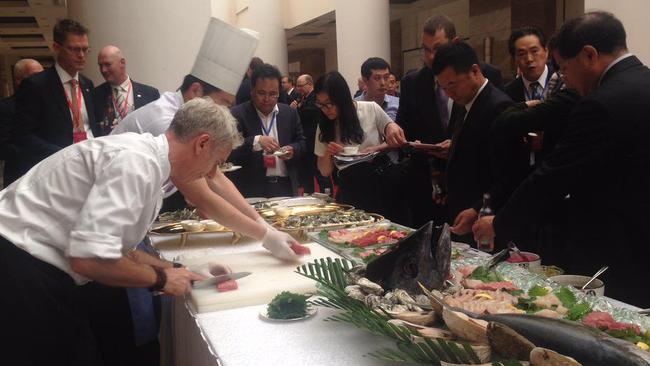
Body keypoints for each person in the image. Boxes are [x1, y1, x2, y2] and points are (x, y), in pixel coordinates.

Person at [0, 98, 294, 365]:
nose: (209, 174)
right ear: (201, 143)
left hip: (33, 265)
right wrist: (163, 278)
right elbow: (88, 259)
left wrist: (179, 268)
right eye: (215, 163)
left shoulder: (150, 160)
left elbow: (114, 248)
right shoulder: (137, 164)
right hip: (20, 266)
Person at [473, 11, 650, 307]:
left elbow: (553, 176)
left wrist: (499, 223)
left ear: (589, 55)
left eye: (565, 68)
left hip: (618, 244)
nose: (565, 79)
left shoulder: (599, 104)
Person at [395, 14, 503, 228]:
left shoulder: (485, 77)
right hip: (427, 184)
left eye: (438, 48)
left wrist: (457, 145)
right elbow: (405, 129)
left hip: (473, 188)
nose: (432, 56)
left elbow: (494, 133)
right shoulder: (412, 82)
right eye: (426, 50)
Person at [431, 42, 514, 244]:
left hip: (486, 221)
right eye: (443, 88)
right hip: (464, 215)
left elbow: (510, 175)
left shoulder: (498, 107)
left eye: (452, 84)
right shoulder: (466, 102)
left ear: (474, 71)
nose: (449, 93)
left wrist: (477, 209)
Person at [9, 19, 99, 183]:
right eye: (74, 49)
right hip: (54, 170)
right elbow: (22, 135)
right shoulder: (36, 85)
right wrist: (64, 154)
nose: (81, 55)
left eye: (85, 50)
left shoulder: (87, 84)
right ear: (57, 47)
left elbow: (91, 127)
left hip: (89, 165)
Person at [314, 71, 408, 223]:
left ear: (342, 99)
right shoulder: (324, 125)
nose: (325, 109)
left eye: (329, 103)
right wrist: (328, 153)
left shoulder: (370, 108)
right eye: (320, 104)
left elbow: (393, 132)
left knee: (385, 232)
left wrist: (391, 128)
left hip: (380, 182)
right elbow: (324, 172)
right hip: (350, 187)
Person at [228, 63, 306, 198]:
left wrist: (292, 149)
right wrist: (255, 142)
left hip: (284, 186)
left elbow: (302, 143)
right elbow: (228, 150)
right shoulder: (237, 115)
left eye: (273, 94)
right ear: (252, 91)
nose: (267, 99)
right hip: (251, 189)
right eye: (261, 93)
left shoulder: (289, 113)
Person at [93, 45, 160, 136]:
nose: (103, 70)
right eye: (100, 65)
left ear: (122, 63)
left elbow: (156, 127)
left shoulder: (150, 94)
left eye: (108, 64)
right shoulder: (95, 95)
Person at [0, 58, 43, 187]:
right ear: (18, 80)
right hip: (19, 177)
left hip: (46, 173)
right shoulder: (5, 107)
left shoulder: (47, 105)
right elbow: (3, 147)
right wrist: (40, 151)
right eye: (36, 76)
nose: (41, 80)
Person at [291, 74, 332, 194]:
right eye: (297, 86)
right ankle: (309, 194)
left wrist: (296, 109)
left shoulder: (315, 97)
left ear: (309, 84)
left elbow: (311, 113)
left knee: (320, 172)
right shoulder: (303, 97)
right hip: (307, 142)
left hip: (315, 140)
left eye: (300, 86)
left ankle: (327, 196)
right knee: (307, 171)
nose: (298, 89)